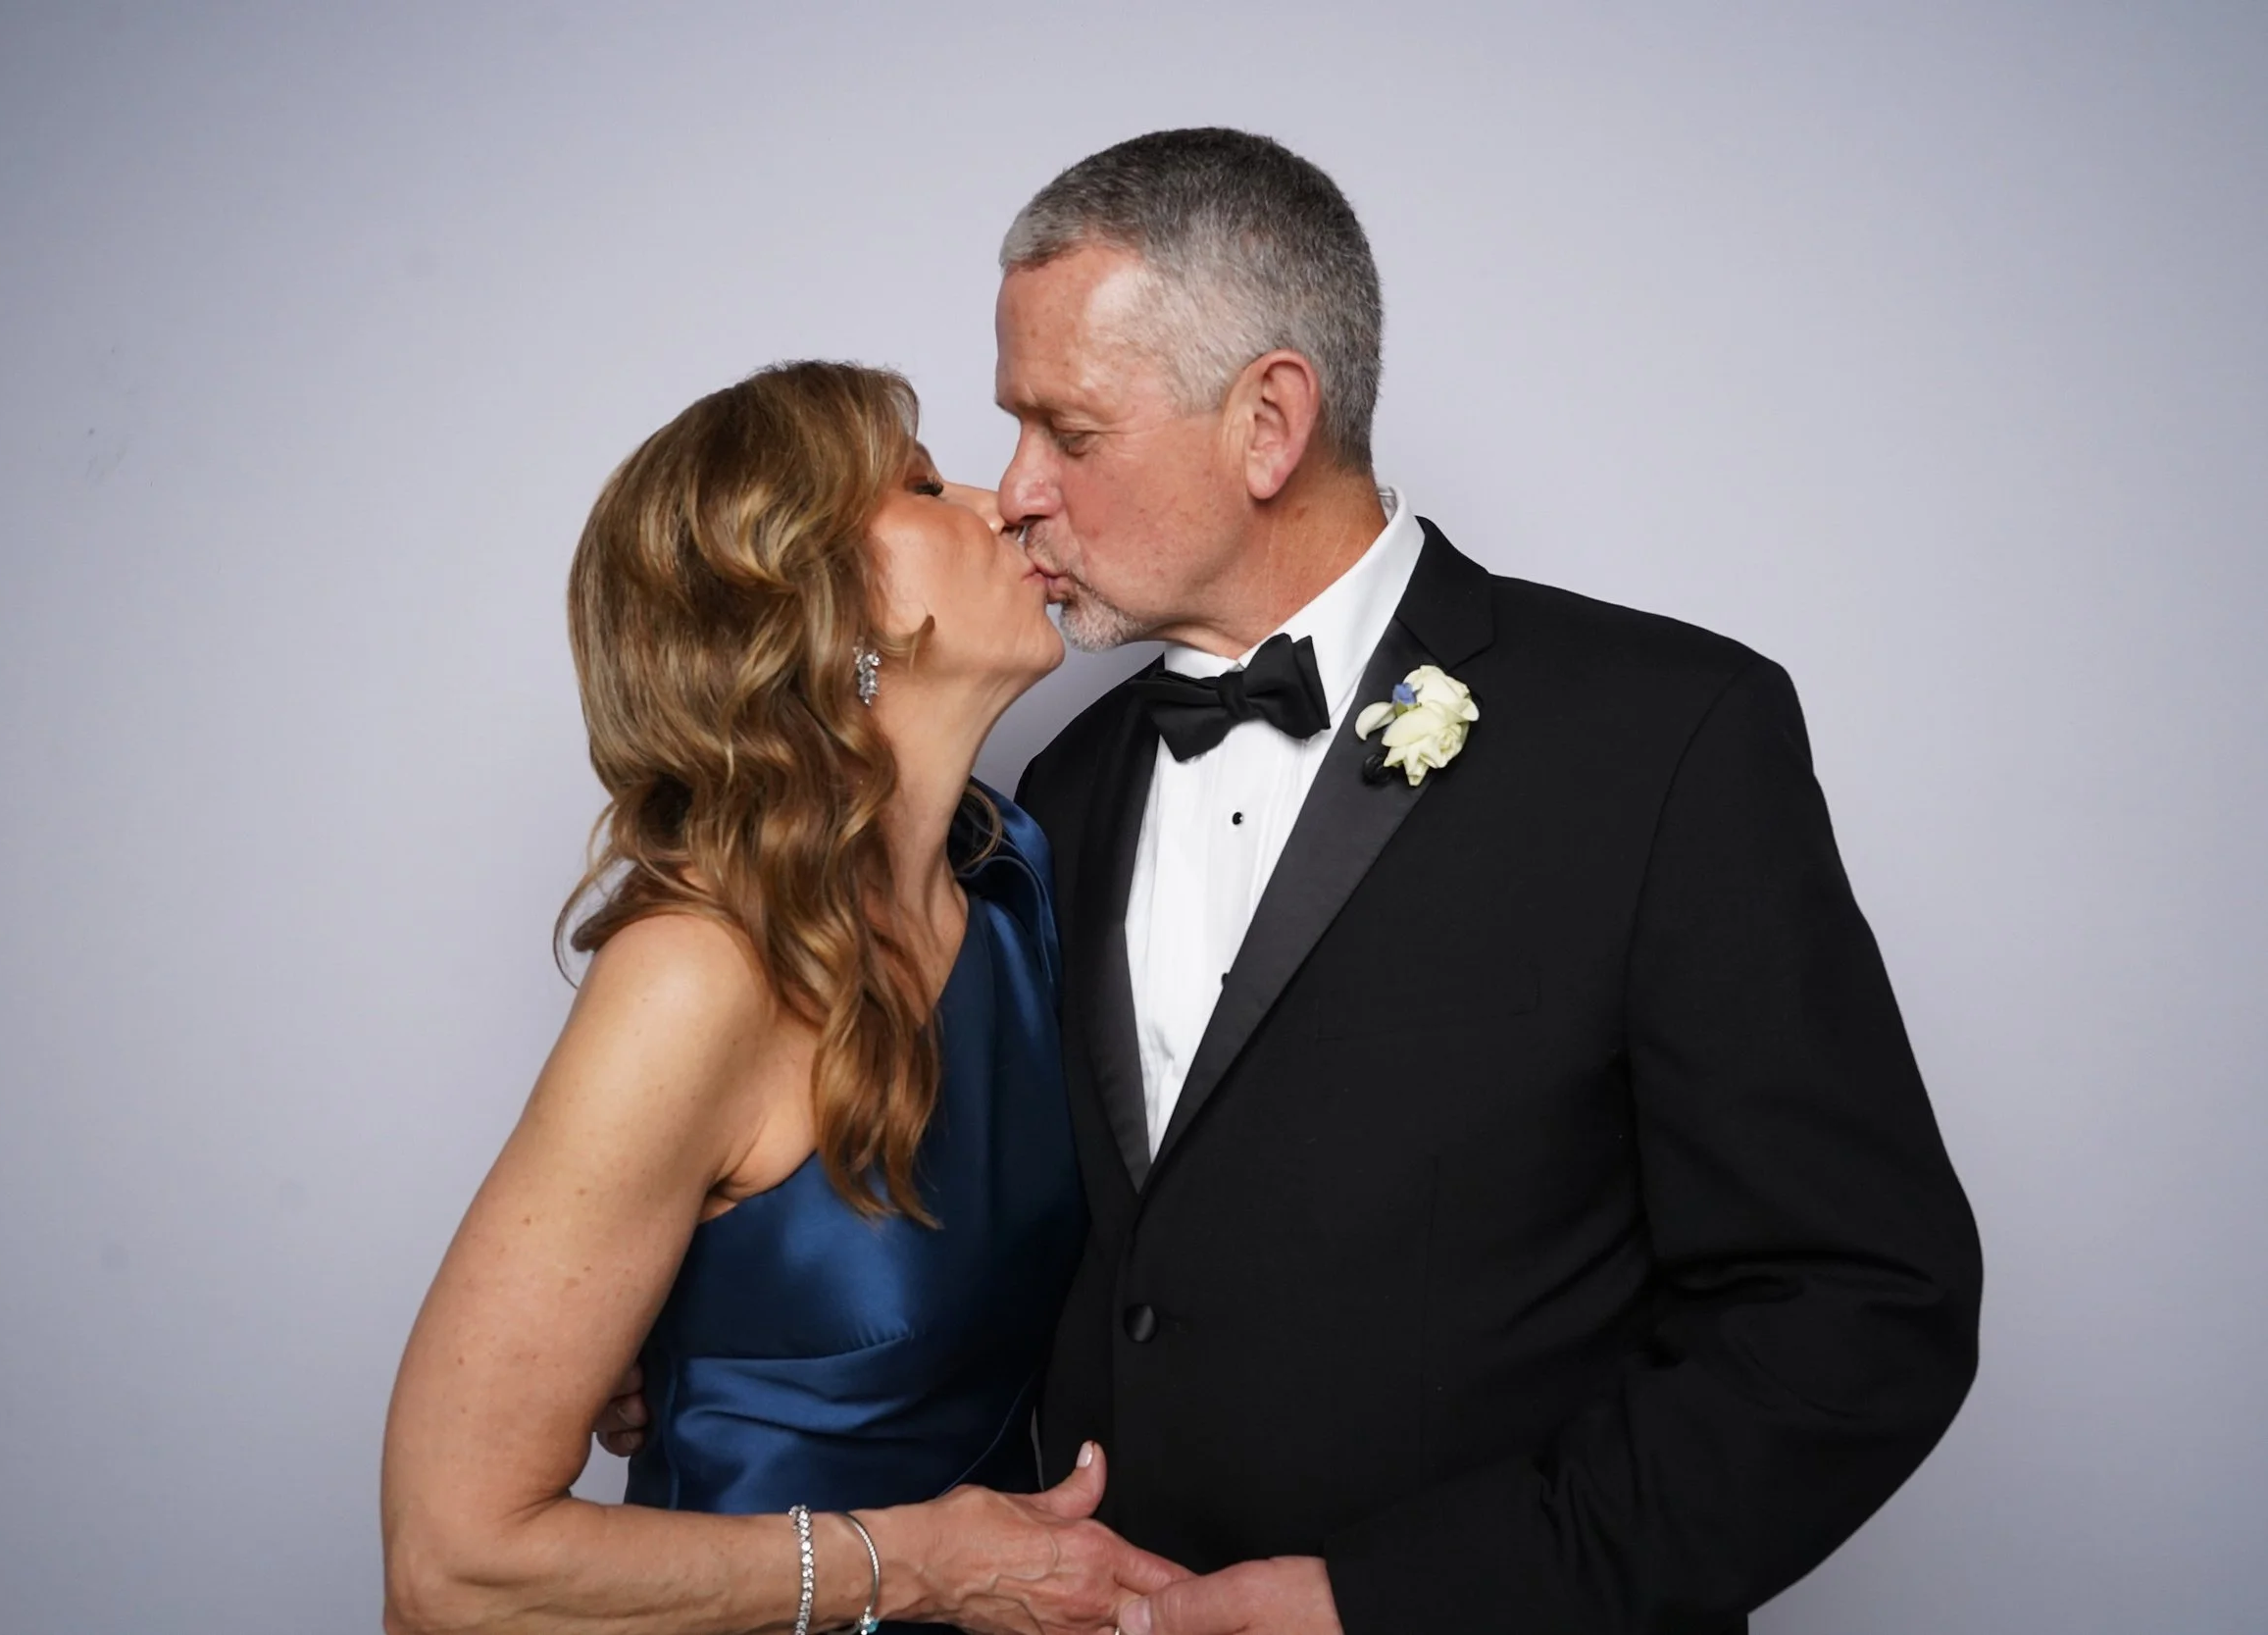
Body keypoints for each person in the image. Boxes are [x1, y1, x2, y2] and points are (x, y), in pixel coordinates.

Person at [994, 128, 1984, 1634]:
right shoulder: (1061, 790)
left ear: (1269, 423)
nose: (1014, 492)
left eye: (1066, 430)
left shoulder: (1667, 738)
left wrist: (1392, 1602)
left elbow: (1861, 1308)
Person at [379, 361, 1185, 1635]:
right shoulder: (701, 970)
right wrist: (920, 1563)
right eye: (923, 484)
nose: (1006, 500)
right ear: (815, 605)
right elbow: (451, 1566)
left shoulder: (1018, 886)